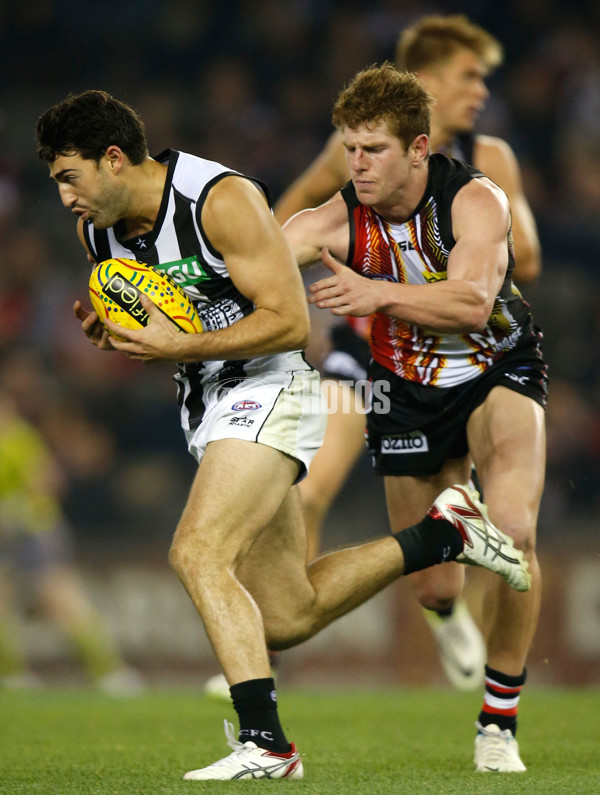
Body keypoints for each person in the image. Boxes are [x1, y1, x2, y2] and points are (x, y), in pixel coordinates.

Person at [35, 88, 531, 781]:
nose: (64, 198)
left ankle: (267, 743)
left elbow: (290, 321)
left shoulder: (220, 199)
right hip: (208, 402)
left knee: (197, 550)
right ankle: (445, 534)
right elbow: (165, 309)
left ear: (113, 159)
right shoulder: (100, 231)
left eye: (69, 177)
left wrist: (174, 344)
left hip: (272, 387)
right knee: (287, 613)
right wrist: (113, 328)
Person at [283, 64, 547, 773]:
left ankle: (499, 721)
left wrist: (374, 292)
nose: (357, 165)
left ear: (419, 148)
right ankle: (455, 555)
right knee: (436, 585)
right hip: (402, 391)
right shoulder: (335, 217)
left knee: (516, 532)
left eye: (374, 150)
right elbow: (255, 261)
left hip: (495, 370)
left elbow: (469, 303)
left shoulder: (475, 200)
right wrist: (143, 296)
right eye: (350, 149)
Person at [0, 388, 143, 696]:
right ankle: (10, 675)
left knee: (61, 599)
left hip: (34, 532)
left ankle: (109, 673)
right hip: (6, 533)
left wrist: (19, 511)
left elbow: (49, 482)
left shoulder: (18, 439)